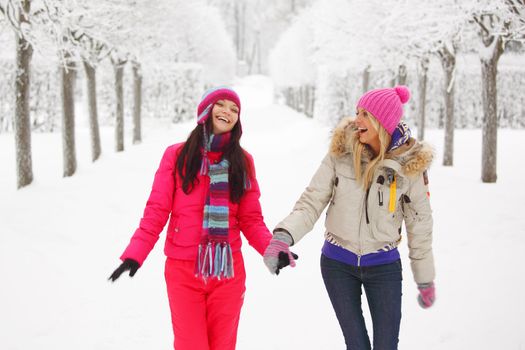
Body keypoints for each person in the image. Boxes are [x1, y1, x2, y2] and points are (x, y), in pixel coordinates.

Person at [263, 86, 436, 350]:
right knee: (356, 345)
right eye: (357, 112)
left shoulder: (409, 166)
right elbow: (312, 200)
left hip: (384, 266)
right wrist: (283, 236)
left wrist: (424, 278)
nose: (357, 119)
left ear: (383, 121)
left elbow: (419, 225)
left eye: (365, 114)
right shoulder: (340, 154)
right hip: (337, 264)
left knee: (386, 346)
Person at [109, 86, 274, 350]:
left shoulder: (243, 161)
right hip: (183, 271)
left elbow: (251, 219)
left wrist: (272, 249)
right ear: (206, 111)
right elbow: (156, 210)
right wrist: (135, 253)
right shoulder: (177, 156)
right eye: (221, 104)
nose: (227, 112)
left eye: (234, 109)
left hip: (227, 272)